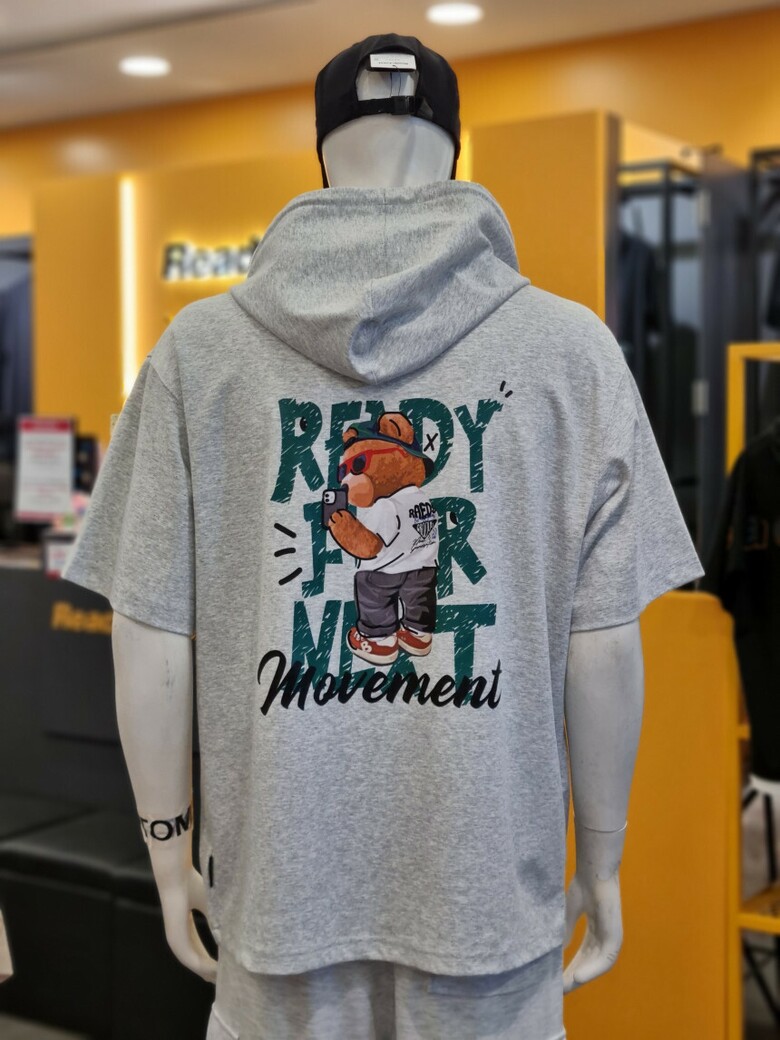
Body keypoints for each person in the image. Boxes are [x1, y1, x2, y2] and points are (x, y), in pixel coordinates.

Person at [62, 33, 703, 1040]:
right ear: (455, 147)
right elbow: (604, 643)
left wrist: (166, 845)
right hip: (492, 902)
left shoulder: (197, 355)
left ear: (322, 152)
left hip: (278, 895)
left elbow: (149, 629)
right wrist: (604, 855)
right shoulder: (574, 352)